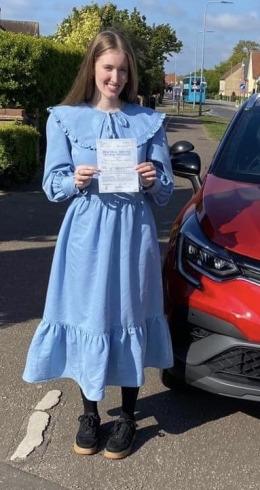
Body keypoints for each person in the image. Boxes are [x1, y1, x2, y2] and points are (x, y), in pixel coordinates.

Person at [22, 29, 174, 460]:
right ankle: (89, 412)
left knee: (129, 311)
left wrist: (152, 178)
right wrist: (75, 179)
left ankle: (126, 414)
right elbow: (52, 185)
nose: (116, 77)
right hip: (86, 232)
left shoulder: (149, 122)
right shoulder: (64, 118)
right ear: (93, 67)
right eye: (109, 67)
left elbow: (163, 190)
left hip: (133, 231)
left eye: (123, 69)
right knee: (89, 313)